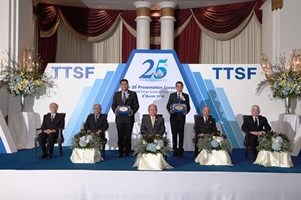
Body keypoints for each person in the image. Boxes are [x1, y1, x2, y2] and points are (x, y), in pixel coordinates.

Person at [112, 79, 139, 157]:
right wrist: (116, 111)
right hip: (119, 119)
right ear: (120, 85)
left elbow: (136, 105)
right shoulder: (116, 94)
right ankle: (120, 152)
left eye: (125, 84)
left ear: (128, 85)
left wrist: (132, 111)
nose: (124, 85)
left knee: (128, 136)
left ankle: (127, 152)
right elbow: (113, 105)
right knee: (120, 136)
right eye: (122, 84)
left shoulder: (133, 94)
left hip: (129, 118)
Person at [166, 81, 190, 156]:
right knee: (174, 134)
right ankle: (174, 149)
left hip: (182, 118)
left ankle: (180, 149)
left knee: (181, 134)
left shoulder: (186, 96)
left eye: (180, 86)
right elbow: (168, 105)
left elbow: (188, 107)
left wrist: (186, 111)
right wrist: (170, 111)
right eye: (178, 86)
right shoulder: (172, 95)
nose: (179, 88)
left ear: (182, 87)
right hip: (173, 118)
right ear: (176, 87)